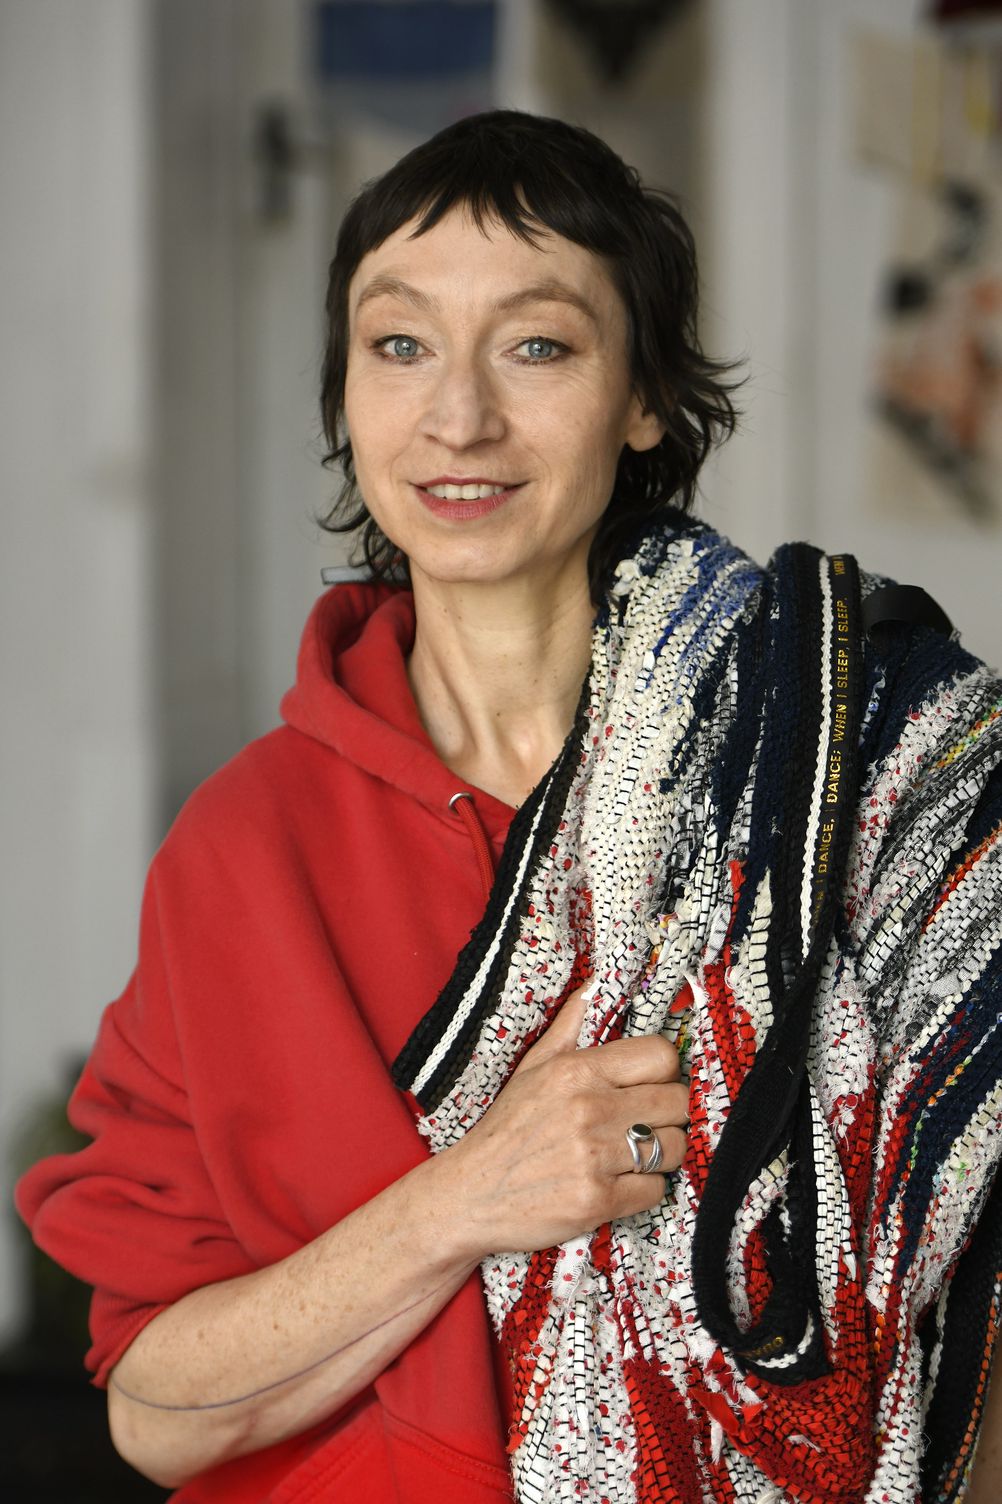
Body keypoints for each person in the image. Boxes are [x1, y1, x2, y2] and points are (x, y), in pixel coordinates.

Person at [15, 109, 1002, 1504]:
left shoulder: (837, 756)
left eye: (537, 345)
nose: (458, 416)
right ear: (346, 397)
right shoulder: (246, 850)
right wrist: (469, 1197)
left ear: (644, 397)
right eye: (398, 345)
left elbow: (969, 1277)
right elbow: (161, 1416)